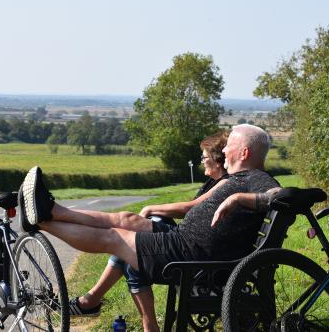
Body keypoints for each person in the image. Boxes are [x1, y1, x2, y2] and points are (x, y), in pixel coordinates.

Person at [18, 124, 280, 332]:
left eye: (229, 147)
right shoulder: (238, 178)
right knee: (125, 219)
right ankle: (51, 210)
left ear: (244, 153)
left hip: (190, 258)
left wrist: (239, 199)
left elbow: (281, 194)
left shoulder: (255, 178)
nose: (223, 153)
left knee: (114, 237)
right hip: (183, 243)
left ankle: (42, 221)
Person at [69, 131, 230, 317]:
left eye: (204, 156)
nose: (201, 160)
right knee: (137, 239)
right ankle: (93, 300)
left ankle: (93, 301)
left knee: (132, 249)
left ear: (217, 159)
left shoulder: (224, 183)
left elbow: (190, 208)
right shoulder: (215, 182)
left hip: (200, 259)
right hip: (195, 248)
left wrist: (150, 207)